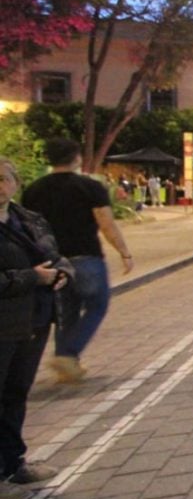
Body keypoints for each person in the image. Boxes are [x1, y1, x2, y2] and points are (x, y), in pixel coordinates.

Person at [22, 138, 133, 384]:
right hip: (86, 257)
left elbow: (29, 229)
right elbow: (106, 223)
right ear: (76, 157)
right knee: (97, 305)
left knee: (66, 312)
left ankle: (67, 365)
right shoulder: (89, 187)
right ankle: (67, 355)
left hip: (53, 262)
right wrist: (124, 252)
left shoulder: (33, 190)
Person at [0, 157, 73, 499]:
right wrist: (34, 278)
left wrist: (62, 274)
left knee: (15, 395)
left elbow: (56, 256)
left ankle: (13, 464)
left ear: (15, 183)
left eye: (3, 178)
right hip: (3, 324)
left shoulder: (28, 220)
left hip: (33, 320)